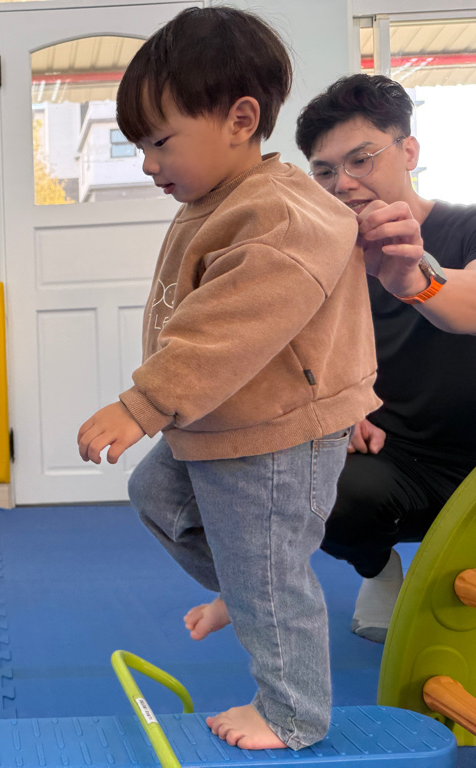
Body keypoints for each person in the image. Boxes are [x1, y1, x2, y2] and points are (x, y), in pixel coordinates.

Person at [75, 6, 380, 753]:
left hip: (274, 432)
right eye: (140, 147)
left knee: (268, 572)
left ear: (240, 120)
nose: (148, 164)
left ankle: (292, 713)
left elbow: (228, 326)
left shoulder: (278, 214)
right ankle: (247, 591)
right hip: (222, 420)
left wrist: (143, 403)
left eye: (160, 142)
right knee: (157, 498)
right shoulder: (218, 199)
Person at [295, 74, 476, 643]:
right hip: (395, 461)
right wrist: (338, 407)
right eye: (325, 171)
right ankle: (378, 569)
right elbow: (306, 355)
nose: (344, 183)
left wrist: (416, 280)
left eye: (361, 159)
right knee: (315, 487)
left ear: (409, 151)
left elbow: (471, 302)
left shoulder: (467, 226)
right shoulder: (326, 257)